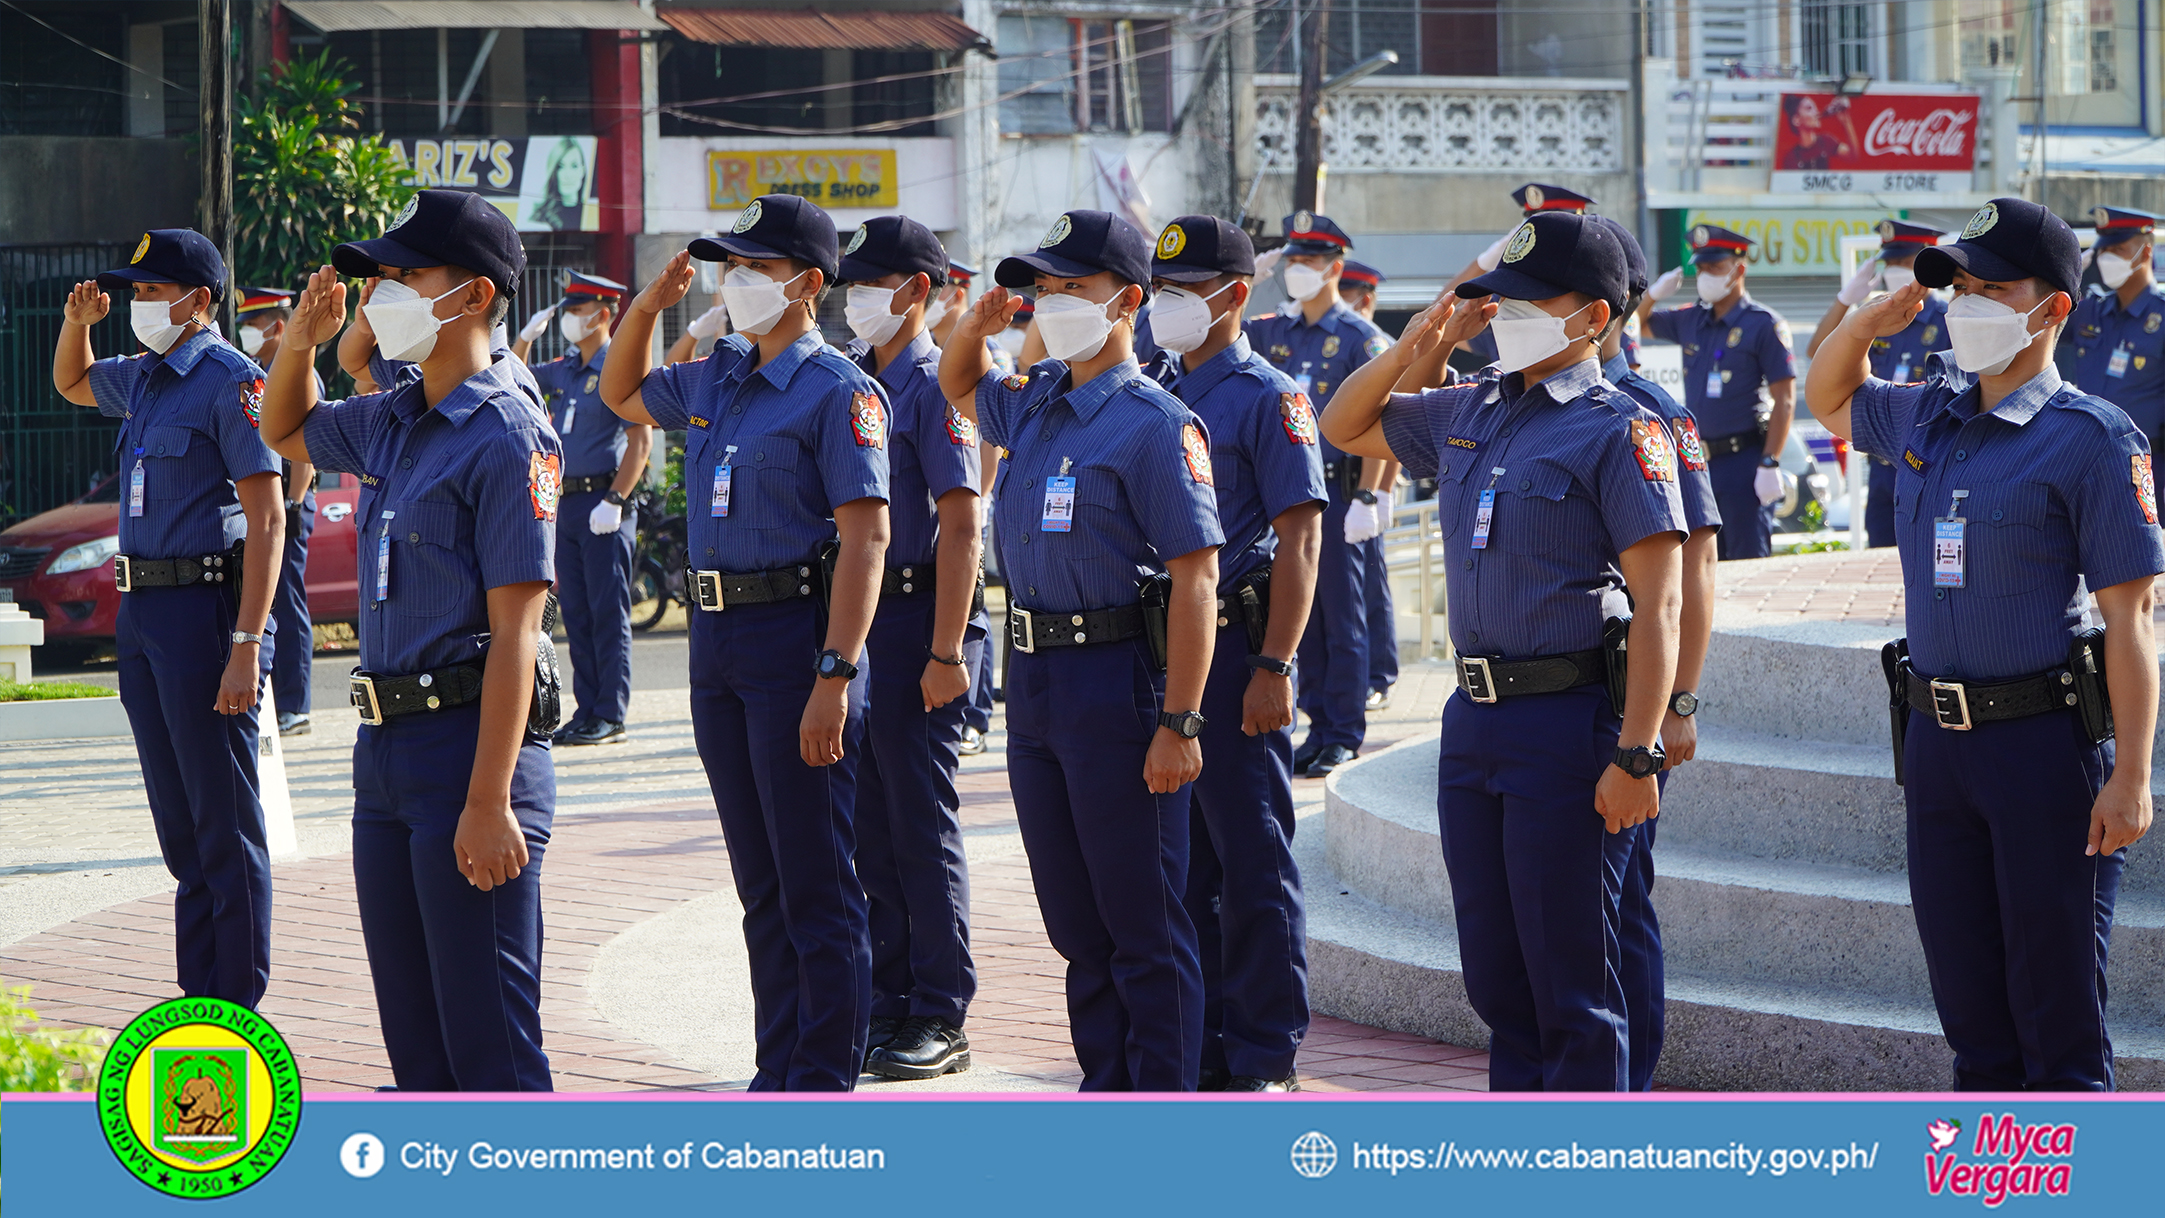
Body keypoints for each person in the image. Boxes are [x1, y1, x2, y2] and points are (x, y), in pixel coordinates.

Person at [1320, 210, 1687, 1090]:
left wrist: (1637, 751)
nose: (1506, 316)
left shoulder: (1617, 426)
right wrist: (1420, 341)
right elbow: (1344, 423)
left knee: (1572, 976)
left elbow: (1660, 602)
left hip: (1568, 720)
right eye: (1500, 300)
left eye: (1529, 302)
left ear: (1592, 318)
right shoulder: (1472, 407)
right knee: (1495, 970)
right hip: (1475, 718)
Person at [1805, 197, 2160, 1090]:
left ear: (2051, 309)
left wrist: (2130, 777)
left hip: (2042, 745)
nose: (1965, 302)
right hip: (1935, 743)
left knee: (2057, 1015)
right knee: (1969, 1010)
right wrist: (1867, 322)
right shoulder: (1928, 411)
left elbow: (2132, 621)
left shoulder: (2090, 438)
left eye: (1990, 287)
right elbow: (1829, 397)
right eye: (1957, 285)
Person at [260, 188, 560, 1090]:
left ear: (470, 296)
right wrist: (302, 341)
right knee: (417, 1045)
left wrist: (488, 799)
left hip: (470, 754)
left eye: (403, 276)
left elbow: (517, 633)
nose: (382, 293)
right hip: (386, 753)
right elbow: (283, 427)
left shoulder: (508, 431)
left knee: (491, 1045)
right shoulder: (396, 417)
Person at [600, 194, 889, 1091]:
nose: (736, 280)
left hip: (796, 638)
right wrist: (649, 308)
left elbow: (866, 539)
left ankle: (824, 1074)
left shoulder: (840, 390)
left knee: (814, 878)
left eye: (754, 267)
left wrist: (835, 674)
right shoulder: (718, 374)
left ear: (805, 283)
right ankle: (779, 1063)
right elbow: (619, 393)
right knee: (759, 880)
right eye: (732, 264)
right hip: (716, 640)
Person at [939, 209, 1224, 1091]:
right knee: (1075, 922)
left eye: (1072, 288)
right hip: (1038, 682)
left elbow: (1196, 580)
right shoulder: (1036, 404)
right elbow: (958, 386)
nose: (1050, 303)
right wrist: (974, 325)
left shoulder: (1153, 422)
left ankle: (1163, 1119)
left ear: (1127, 301)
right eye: (1044, 288)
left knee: (1142, 920)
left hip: (1118, 683)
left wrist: (1180, 719)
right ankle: (1105, 1091)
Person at [52, 229, 285, 1010]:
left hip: (203, 610)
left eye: (152, 292)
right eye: (138, 292)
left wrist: (248, 643)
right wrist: (77, 321)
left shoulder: (230, 380)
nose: (140, 305)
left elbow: (269, 518)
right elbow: (74, 383)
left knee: (223, 820)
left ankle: (237, 1007)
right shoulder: (147, 377)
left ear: (199, 301)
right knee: (180, 825)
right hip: (143, 611)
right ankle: (200, 993)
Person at [1148, 214, 1325, 1092]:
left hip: (1237, 651)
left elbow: (1299, 541)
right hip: (1162, 656)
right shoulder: (1147, 385)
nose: (1164, 305)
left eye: (1183, 291)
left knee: (1252, 862)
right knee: (1183, 866)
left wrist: (1277, 665)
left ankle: (1264, 1051)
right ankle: (1204, 1035)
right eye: (1160, 288)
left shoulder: (1269, 396)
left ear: (1232, 296)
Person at [835, 215, 984, 1080]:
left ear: (917, 292)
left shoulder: (938, 387)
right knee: (870, 825)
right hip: (862, 622)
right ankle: (888, 998)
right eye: (849, 284)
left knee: (920, 826)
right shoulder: (856, 379)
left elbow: (962, 525)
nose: (855, 299)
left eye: (870, 284)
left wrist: (945, 649)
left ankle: (940, 1009)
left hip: (920, 615)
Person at [1594, 216, 1722, 1089]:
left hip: (1620, 695)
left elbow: (1693, 576)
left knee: (1618, 899)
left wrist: (1678, 703)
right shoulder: (1509, 395)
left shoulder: (1652, 414)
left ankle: (1630, 1080)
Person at [1245, 211, 1390, 778]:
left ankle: (1342, 732)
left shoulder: (1359, 337)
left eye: (1307, 260)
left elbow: (1388, 420)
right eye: (1291, 259)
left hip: (1337, 493)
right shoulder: (1274, 330)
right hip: (1283, 496)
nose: (1295, 269)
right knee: (1300, 615)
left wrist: (1372, 498)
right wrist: (1249, 277)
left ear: (1335, 267)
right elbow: (1216, 331)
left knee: (1341, 617)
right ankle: (1314, 723)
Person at [512, 272, 651, 746]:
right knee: (577, 614)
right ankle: (585, 709)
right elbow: (515, 377)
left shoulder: (618, 365)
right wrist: (524, 339)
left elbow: (641, 440)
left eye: (578, 310)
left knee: (607, 612)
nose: (570, 319)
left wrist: (616, 499)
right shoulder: (568, 368)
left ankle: (610, 713)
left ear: (603, 314)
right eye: (568, 310)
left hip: (603, 503)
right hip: (566, 503)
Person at [1639, 224, 1797, 560]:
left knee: (1746, 562)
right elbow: (1632, 326)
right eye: (1700, 268)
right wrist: (1652, 294)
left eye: (1715, 267)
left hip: (1744, 461)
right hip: (1697, 462)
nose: (1705, 275)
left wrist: (1770, 462)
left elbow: (1784, 398)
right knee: (1703, 563)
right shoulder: (1691, 319)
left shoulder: (1763, 324)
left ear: (1739, 268)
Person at [1807, 221, 1951, 548]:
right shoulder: (1880, 315)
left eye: (1904, 261)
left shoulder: (1948, 319)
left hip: (1928, 464)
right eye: (1890, 263)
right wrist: (1846, 301)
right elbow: (1817, 352)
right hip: (1883, 465)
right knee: (1880, 562)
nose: (1895, 270)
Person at [237, 286, 320, 736]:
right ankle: (282, 701)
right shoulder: (260, 372)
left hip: (289, 506)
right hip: (272, 507)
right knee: (272, 600)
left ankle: (297, 704)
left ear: (278, 326)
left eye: (254, 324)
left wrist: (291, 502)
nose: (247, 331)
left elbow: (304, 452)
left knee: (287, 600)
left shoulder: (294, 372)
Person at [2066, 207, 2165, 449]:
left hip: (2147, 458)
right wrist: (2065, 277)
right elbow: (2039, 320)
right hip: (2087, 453)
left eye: (2118, 250)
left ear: (2145, 253)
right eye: (2104, 250)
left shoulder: (2162, 315)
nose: (2106, 258)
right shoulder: (2092, 310)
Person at [531, 137, 590, 232]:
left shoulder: (590, 214)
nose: (567, 175)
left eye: (574, 166)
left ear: (582, 170)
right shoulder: (541, 216)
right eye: (560, 167)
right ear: (554, 172)